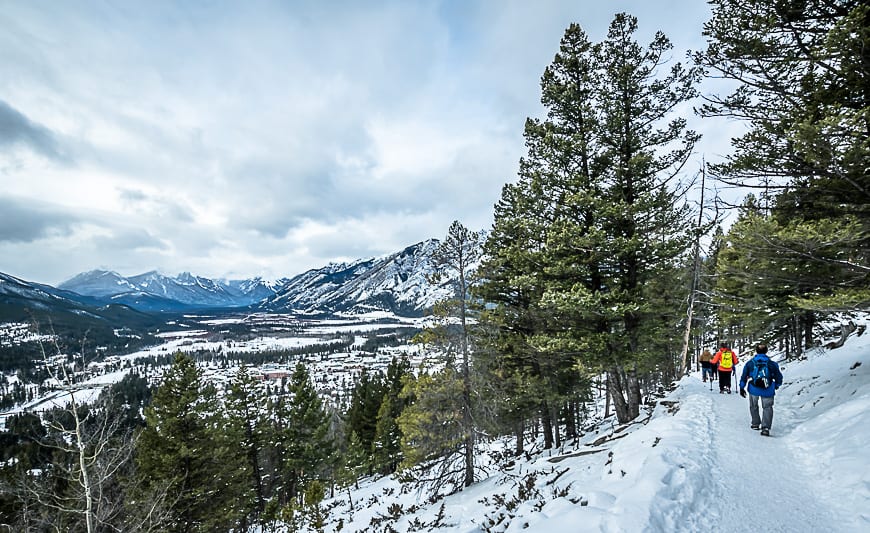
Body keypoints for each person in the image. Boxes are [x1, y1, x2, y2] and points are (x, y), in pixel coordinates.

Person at [739, 343, 783, 436]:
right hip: (768, 389)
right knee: (767, 407)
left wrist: (742, 387)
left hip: (754, 388)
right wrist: (776, 385)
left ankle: (755, 423)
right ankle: (765, 427)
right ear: (766, 351)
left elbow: (744, 376)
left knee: (753, 406)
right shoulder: (772, 364)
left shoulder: (750, 363)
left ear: (756, 351)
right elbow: (778, 377)